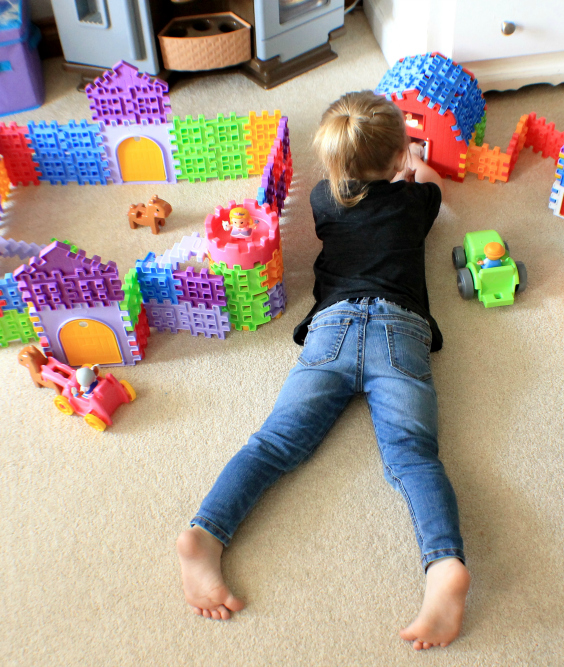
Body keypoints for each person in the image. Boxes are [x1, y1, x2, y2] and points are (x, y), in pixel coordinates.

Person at [177, 91, 470, 650]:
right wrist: (414, 165)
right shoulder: (416, 202)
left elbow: (358, 179)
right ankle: (443, 565)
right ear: (399, 155)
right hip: (399, 329)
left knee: (272, 445)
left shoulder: (321, 198)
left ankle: (205, 533)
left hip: (332, 328)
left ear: (333, 162)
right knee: (412, 458)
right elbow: (433, 182)